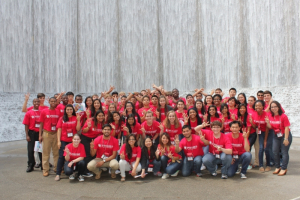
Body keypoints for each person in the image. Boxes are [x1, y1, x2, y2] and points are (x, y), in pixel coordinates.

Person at [265, 101, 292, 176]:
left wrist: (286, 139)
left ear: (279, 107)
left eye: (275, 106)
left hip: (285, 135)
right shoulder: (270, 116)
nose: (273, 108)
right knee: (275, 151)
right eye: (272, 107)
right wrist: (267, 122)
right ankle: (277, 167)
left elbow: (286, 128)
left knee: (284, 152)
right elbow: (271, 127)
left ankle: (284, 168)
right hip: (276, 135)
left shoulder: (283, 116)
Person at [55, 104, 81, 181]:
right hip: (64, 140)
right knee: (61, 157)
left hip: (73, 141)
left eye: (70, 109)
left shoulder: (75, 118)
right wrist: (58, 141)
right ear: (65, 111)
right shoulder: (62, 118)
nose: (69, 111)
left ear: (73, 110)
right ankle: (58, 174)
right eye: (67, 109)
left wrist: (79, 120)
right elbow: (59, 130)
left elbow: (78, 129)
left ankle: (74, 171)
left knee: (74, 156)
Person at [39, 97, 60, 177]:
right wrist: (40, 135)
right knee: (46, 153)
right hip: (47, 133)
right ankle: (45, 169)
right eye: (51, 101)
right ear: (49, 102)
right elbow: (41, 124)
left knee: (56, 153)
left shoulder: (58, 112)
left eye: (54, 101)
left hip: (55, 133)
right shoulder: (44, 111)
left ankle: (56, 168)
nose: (53, 102)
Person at [81, 110, 105, 177]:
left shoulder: (103, 123)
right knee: (88, 154)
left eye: (102, 116)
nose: (101, 117)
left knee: (94, 154)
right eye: (99, 116)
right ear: (96, 116)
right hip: (86, 138)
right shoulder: (90, 120)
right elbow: (84, 131)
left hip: (95, 139)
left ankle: (94, 168)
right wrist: (88, 127)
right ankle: (86, 171)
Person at [250, 100, 272, 172]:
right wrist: (251, 122)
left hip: (267, 132)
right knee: (261, 148)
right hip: (260, 132)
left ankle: (268, 164)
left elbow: (267, 128)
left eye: (259, 106)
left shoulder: (266, 114)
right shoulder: (253, 114)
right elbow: (255, 126)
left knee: (266, 148)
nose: (257, 107)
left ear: (263, 106)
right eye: (256, 106)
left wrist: (265, 140)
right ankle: (261, 165)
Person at [22, 98, 43, 172]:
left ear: (40, 103)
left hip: (39, 133)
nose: (36, 103)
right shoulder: (29, 113)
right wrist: (27, 135)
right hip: (32, 133)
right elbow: (26, 125)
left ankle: (42, 165)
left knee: (40, 150)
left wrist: (41, 135)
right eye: (35, 102)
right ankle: (31, 165)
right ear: (33, 103)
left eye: (38, 102)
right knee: (30, 150)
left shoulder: (42, 112)